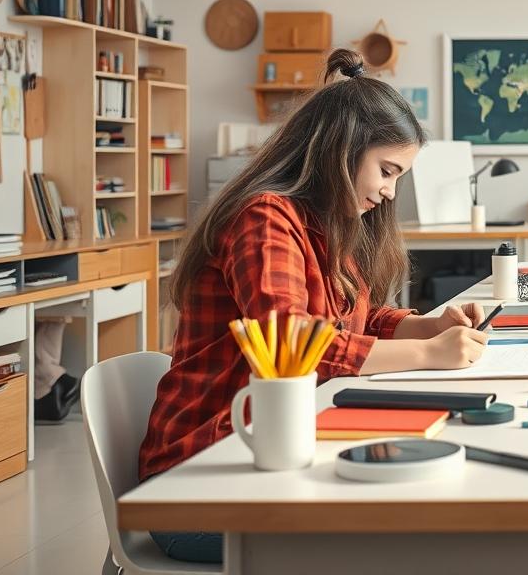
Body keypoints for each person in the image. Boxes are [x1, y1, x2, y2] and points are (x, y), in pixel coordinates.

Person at [138, 50, 489, 563]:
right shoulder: (265, 218)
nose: (390, 193)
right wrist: (429, 355)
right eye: (387, 171)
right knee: (399, 534)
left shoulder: (326, 223)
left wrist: (429, 327)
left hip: (267, 455)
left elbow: (356, 319)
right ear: (341, 151)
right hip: (200, 481)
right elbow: (296, 343)